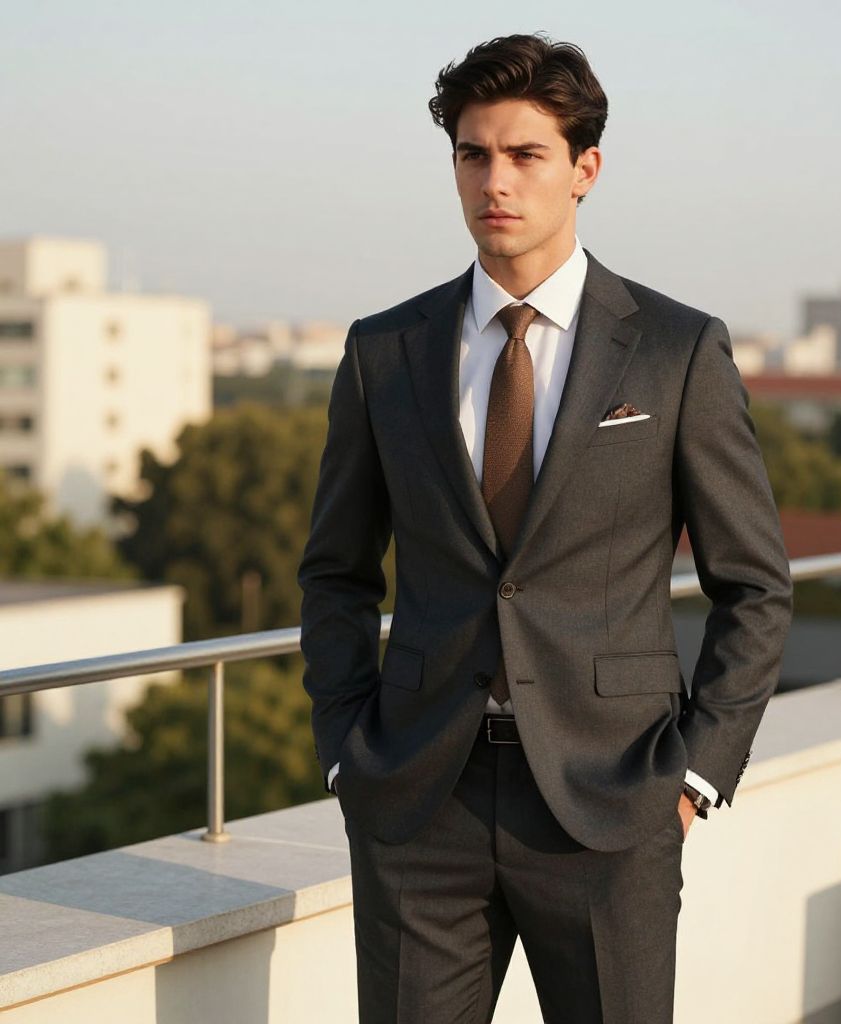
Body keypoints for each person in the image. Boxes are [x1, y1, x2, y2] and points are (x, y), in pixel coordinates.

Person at [297, 31, 792, 1024]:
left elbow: (755, 584)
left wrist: (691, 776)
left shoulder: (672, 349)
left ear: (584, 170)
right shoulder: (383, 350)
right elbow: (335, 571)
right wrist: (348, 748)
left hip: (612, 798)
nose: (496, 181)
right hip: (416, 798)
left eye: (525, 155)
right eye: (473, 154)